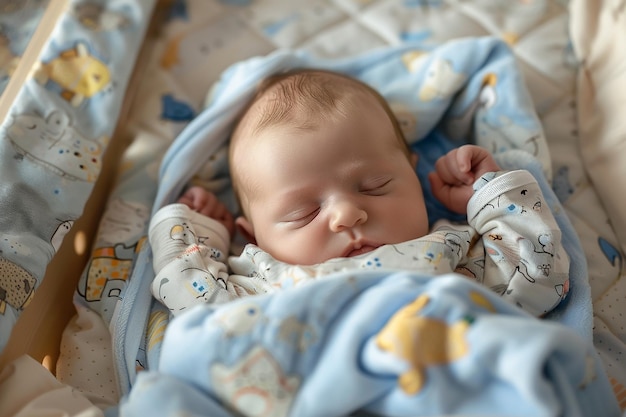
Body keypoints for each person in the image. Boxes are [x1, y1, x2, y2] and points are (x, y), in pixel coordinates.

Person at [148, 69, 569, 317]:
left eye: (375, 186)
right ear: (254, 237)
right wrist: (200, 236)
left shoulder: (454, 248)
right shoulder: (262, 282)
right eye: (302, 212)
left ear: (413, 177)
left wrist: (483, 195)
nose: (346, 214)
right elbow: (195, 307)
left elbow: (537, 277)